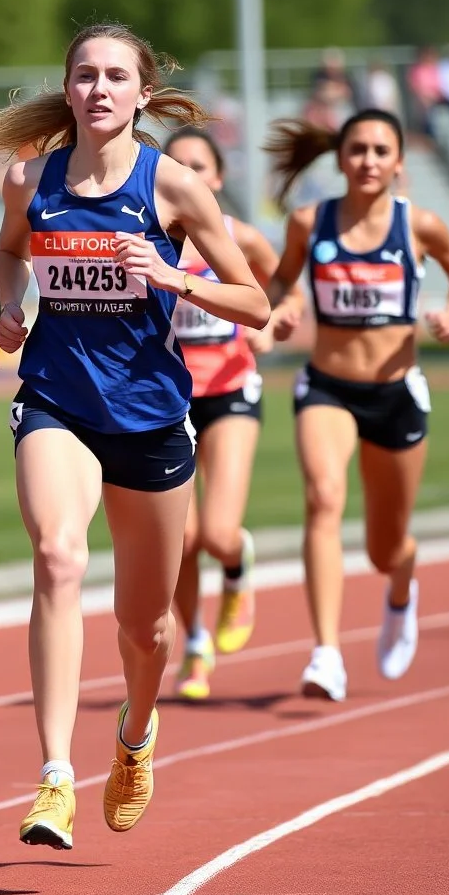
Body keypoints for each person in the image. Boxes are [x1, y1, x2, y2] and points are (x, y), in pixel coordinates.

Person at [0, 21, 270, 850]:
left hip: (151, 418)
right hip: (56, 402)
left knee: (147, 629)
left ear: (142, 93)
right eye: (85, 75)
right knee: (59, 556)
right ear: (67, 89)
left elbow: (254, 303)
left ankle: (135, 734)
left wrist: (174, 276)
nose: (99, 88)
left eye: (115, 76)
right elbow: (8, 251)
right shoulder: (29, 179)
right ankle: (55, 779)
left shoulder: (173, 187)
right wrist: (11, 304)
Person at [263, 109, 449, 703]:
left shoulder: (419, 225)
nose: (368, 161)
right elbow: (281, 281)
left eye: (381, 151)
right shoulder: (310, 222)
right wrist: (283, 308)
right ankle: (326, 653)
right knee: (323, 497)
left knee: (386, 548)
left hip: (395, 393)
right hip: (327, 388)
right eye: (357, 149)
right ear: (340, 157)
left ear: (399, 161)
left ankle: (402, 587)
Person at [162, 126, 285, 700]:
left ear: (217, 177)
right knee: (180, 540)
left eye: (199, 166)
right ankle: (195, 642)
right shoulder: (145, 238)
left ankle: (237, 565)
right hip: (169, 397)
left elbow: (279, 283)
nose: (188, 175)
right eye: (176, 165)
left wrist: (272, 325)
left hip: (231, 388)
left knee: (216, 532)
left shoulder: (239, 238)